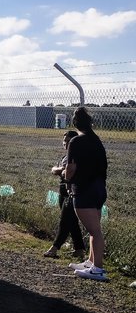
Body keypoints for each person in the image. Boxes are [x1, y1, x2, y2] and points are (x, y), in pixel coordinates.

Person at [65, 107, 109, 281]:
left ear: (75, 123)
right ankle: (91, 262)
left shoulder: (76, 142)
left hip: (84, 189)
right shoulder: (96, 140)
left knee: (94, 231)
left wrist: (67, 181)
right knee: (93, 229)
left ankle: (98, 268)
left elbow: (71, 168)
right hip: (99, 188)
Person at [43, 130, 86, 259]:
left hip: (71, 191)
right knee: (71, 221)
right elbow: (55, 170)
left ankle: (55, 247)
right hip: (62, 190)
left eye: (68, 141)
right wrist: (60, 170)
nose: (65, 143)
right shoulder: (65, 157)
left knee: (65, 219)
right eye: (64, 141)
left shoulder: (77, 156)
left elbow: (67, 171)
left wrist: (60, 170)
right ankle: (79, 249)